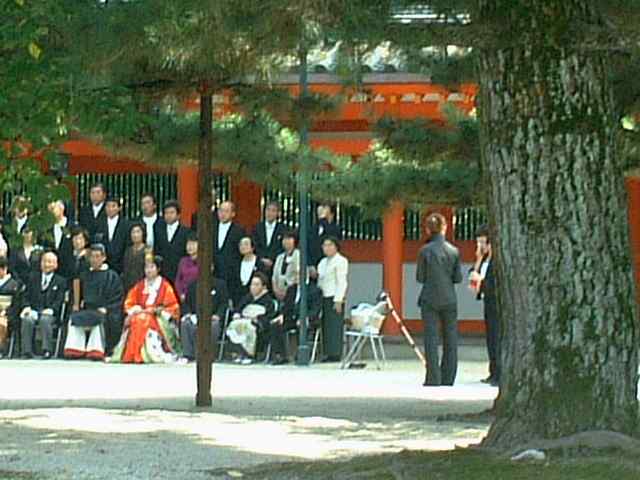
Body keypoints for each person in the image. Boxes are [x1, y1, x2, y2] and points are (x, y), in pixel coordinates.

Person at [416, 213, 462, 386]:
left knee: (431, 338)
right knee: (451, 337)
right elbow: (457, 278)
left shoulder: (424, 251)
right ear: (445, 227)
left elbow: (420, 277)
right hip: (450, 298)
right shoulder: (454, 251)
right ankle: (449, 377)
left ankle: (433, 378)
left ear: (428, 229)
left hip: (429, 297)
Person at [110, 255, 181, 364]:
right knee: (138, 319)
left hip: (158, 318)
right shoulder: (140, 286)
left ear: (158, 269)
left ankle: (141, 355)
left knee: (142, 320)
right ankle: (134, 354)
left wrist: (157, 311)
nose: (148, 270)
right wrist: (136, 309)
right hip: (140, 315)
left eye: (152, 267)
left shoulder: (165, 286)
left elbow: (173, 307)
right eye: (146, 267)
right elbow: (129, 302)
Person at [64, 244, 124, 360]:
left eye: (97, 256)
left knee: (99, 318)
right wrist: (77, 304)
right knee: (74, 317)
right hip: (88, 308)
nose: (94, 259)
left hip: (105, 309)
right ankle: (75, 349)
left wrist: (106, 308)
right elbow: (78, 294)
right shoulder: (85, 275)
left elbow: (117, 297)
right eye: (92, 256)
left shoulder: (112, 276)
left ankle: (96, 350)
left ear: (104, 257)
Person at [19, 252, 67, 359]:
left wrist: (52, 309)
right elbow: (25, 296)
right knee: (27, 319)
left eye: (50, 262)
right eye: (44, 261)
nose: (46, 264)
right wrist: (27, 307)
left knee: (45, 320)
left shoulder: (61, 281)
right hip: (34, 310)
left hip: (50, 312)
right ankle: (26, 351)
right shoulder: (33, 278)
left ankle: (47, 350)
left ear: (56, 265)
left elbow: (59, 300)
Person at [179, 264, 229, 363]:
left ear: (212, 268)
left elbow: (224, 304)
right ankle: (188, 354)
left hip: (213, 317)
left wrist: (218, 315)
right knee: (185, 323)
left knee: (213, 325)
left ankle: (208, 354)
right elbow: (186, 304)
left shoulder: (220, 284)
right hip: (196, 316)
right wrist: (188, 313)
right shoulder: (193, 285)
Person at [469, 225, 500, 387]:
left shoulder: (497, 261)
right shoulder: (484, 260)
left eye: (482, 242)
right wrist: (478, 259)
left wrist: (480, 281)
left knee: (496, 337)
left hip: (495, 302)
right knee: (490, 337)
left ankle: (498, 372)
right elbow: (473, 278)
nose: (479, 246)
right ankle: (492, 370)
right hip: (486, 301)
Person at [227, 272, 276, 364]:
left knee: (249, 328)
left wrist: (256, 318)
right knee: (234, 325)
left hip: (256, 325)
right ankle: (238, 352)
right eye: (252, 284)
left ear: (264, 287)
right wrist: (237, 314)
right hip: (242, 321)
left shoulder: (268, 301)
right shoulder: (247, 298)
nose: (253, 287)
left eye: (257, 285)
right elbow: (238, 309)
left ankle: (250, 354)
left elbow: (269, 316)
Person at [317, 237, 349, 362]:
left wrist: (338, 299)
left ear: (336, 246)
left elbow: (342, 282)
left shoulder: (341, 261)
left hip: (334, 296)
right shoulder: (322, 262)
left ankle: (335, 353)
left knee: (334, 326)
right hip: (323, 296)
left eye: (330, 245)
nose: (327, 248)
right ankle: (327, 352)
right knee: (326, 326)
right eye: (325, 245)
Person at [154, 200, 190, 284]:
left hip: (180, 272)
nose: (169, 215)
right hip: (163, 272)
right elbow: (157, 251)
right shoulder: (159, 231)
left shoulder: (186, 232)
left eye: (172, 212)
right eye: (166, 213)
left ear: (178, 215)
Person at [212, 201, 245, 287]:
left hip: (231, 274)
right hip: (214, 272)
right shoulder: (211, 229)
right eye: (221, 211)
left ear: (233, 214)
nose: (223, 214)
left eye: (226, 211)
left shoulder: (239, 231)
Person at [95, 196, 129, 274]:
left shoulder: (125, 224)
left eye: (113, 206)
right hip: (103, 263)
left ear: (119, 208)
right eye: (108, 206)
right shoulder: (99, 223)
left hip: (120, 264)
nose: (110, 209)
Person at [231, 236, 268, 306]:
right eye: (240, 244)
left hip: (255, 300)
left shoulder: (259, 264)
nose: (242, 246)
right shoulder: (235, 264)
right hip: (237, 299)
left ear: (252, 247)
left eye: (246, 244)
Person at [42, 200, 75, 279]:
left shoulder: (72, 227)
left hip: (69, 270)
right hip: (52, 273)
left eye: (53, 209)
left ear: (62, 208)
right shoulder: (46, 229)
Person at [252, 201, 286, 273]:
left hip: (276, 265)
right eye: (268, 210)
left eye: (273, 210)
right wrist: (262, 258)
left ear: (278, 213)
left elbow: (282, 247)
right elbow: (255, 245)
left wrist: (272, 259)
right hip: (259, 265)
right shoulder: (257, 228)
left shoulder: (283, 229)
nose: (270, 213)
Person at [0, 257, 24, 358]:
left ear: (4, 269)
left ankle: (1, 348)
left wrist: (5, 312)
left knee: (1, 323)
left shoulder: (15, 284)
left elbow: (16, 304)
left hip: (8, 314)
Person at [308, 204, 342, 271]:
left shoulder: (335, 229)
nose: (321, 210)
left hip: (328, 266)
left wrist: (323, 219)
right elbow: (307, 246)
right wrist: (310, 264)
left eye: (324, 208)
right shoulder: (313, 228)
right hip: (313, 267)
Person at [272, 231, 300, 303]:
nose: (286, 241)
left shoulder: (298, 255)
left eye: (289, 238)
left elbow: (298, 275)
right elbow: (274, 276)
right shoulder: (279, 257)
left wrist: (287, 290)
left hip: (293, 293)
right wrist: (276, 290)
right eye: (284, 239)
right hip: (279, 292)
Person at [121, 223, 148, 293]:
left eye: (138, 232)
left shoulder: (148, 251)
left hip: (143, 287)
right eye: (133, 232)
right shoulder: (128, 251)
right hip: (128, 287)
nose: (135, 235)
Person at [174, 234, 199, 303]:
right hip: (183, 297)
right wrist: (180, 294)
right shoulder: (183, 261)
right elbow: (178, 280)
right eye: (188, 244)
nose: (190, 247)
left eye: (193, 244)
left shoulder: (204, 262)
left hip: (198, 296)